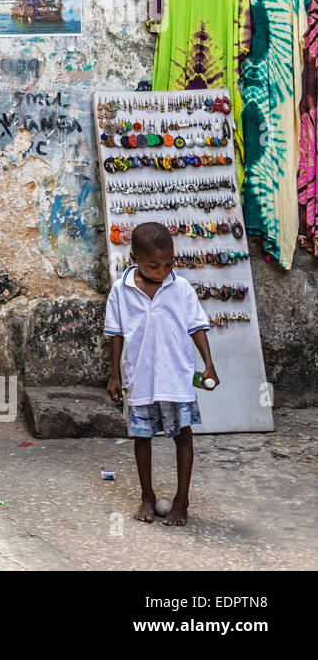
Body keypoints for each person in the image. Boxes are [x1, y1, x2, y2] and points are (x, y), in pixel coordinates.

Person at [106, 222, 216, 527]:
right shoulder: (121, 291)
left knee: (183, 435)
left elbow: (197, 327)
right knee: (142, 437)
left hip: (176, 377)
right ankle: (147, 496)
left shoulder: (181, 289)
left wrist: (209, 363)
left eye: (169, 264)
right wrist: (114, 375)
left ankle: (182, 501)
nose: (162, 271)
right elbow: (115, 335)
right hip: (140, 377)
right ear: (134, 257)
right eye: (154, 265)